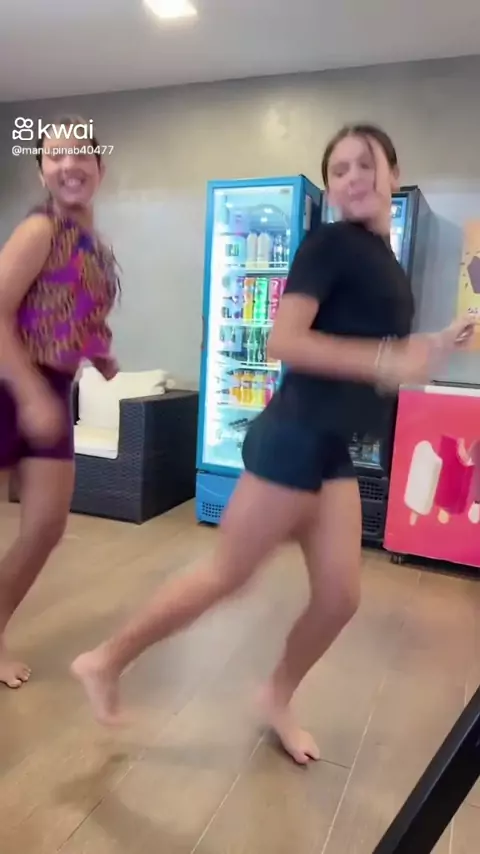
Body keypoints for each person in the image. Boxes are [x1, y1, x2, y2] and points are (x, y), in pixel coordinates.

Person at [72, 124, 474, 764]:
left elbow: (377, 351)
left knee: (340, 598)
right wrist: (385, 359)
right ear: (331, 188)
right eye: (339, 169)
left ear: (394, 173)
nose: (353, 177)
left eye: (364, 163)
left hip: (332, 449)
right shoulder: (329, 243)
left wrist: (434, 343)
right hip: (293, 438)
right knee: (227, 575)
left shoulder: (383, 259)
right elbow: (285, 341)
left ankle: (276, 695)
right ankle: (105, 660)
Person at [0, 115, 120, 688]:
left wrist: (99, 353)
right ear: (42, 170)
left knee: (45, 526)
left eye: (80, 154)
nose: (69, 164)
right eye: (55, 155)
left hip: (49, 387)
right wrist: (28, 392)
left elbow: (73, 310)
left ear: (100, 166)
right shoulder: (39, 229)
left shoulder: (91, 241)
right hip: (11, 382)